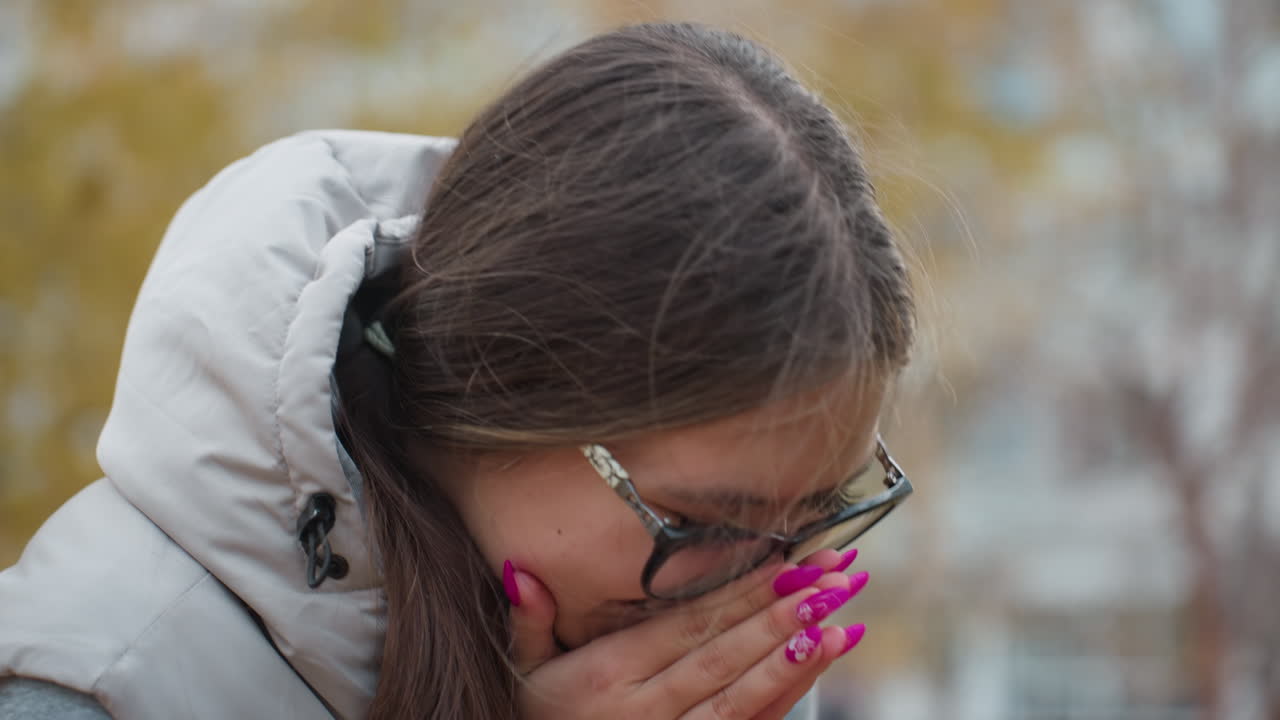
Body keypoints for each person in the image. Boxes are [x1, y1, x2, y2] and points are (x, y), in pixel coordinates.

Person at [0, 21, 916, 720]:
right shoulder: (96, 687)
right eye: (699, 523)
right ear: (497, 390)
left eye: (815, 517)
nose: (756, 589)